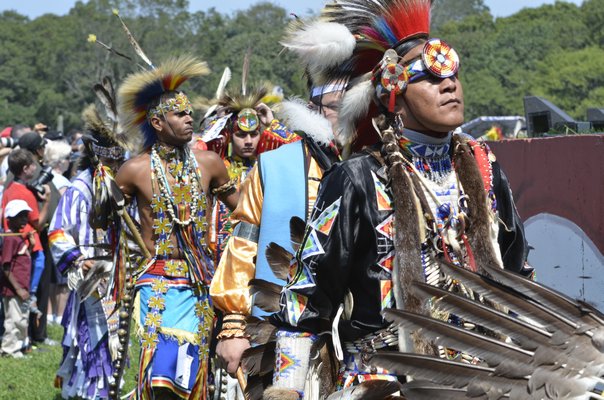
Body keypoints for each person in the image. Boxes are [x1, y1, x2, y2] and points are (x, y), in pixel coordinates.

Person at [265, 1, 532, 397]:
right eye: (429, 77)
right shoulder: (358, 178)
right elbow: (308, 297)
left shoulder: (482, 166)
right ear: (394, 93)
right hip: (385, 382)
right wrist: (286, 388)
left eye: (454, 74)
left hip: (484, 379)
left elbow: (517, 274)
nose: (449, 84)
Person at [115, 55, 238, 399]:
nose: (189, 119)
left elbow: (245, 212)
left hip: (200, 282)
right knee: (159, 376)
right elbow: (104, 219)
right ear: (157, 121)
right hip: (156, 282)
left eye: (189, 113)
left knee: (190, 376)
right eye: (180, 114)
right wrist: (101, 189)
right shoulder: (134, 170)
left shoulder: (210, 163)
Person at [209, 70, 346, 377]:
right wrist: (233, 324)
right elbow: (246, 240)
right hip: (283, 328)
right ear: (314, 109)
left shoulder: (382, 164)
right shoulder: (275, 165)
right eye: (339, 106)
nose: (350, 115)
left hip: (362, 329)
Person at [49, 103, 127, 399]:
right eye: (111, 160)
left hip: (113, 272)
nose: (116, 167)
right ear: (97, 156)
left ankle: (105, 388)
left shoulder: (116, 188)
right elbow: (57, 232)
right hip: (89, 274)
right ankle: (89, 390)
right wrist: (79, 260)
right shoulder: (79, 189)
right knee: (92, 332)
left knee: (113, 333)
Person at [0, 199, 34, 358]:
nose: (24, 219)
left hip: (22, 287)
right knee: (12, 320)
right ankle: (8, 349)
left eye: (25, 215)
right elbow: (5, 266)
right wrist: (18, 289)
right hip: (14, 290)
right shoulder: (10, 238)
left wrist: (31, 245)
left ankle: (17, 347)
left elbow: (21, 260)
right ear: (9, 218)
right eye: (20, 216)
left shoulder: (18, 237)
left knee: (21, 319)